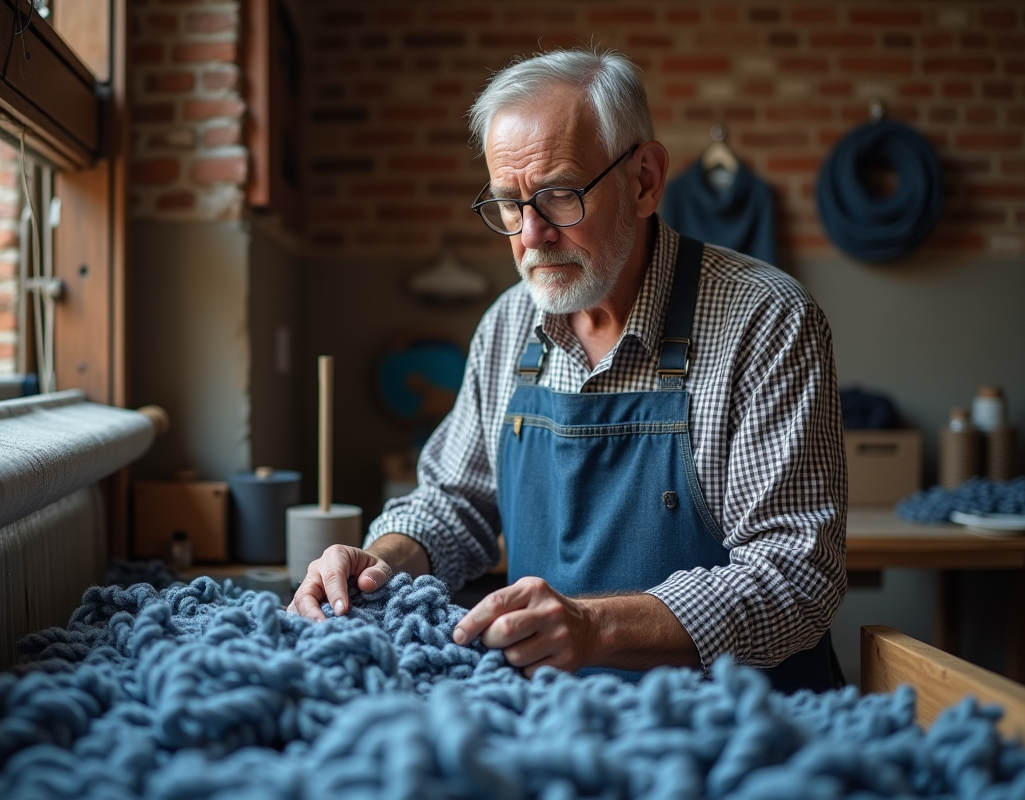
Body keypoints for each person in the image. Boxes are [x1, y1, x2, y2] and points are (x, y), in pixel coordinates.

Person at [289, 47, 847, 692]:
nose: (529, 235)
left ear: (644, 180)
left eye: (558, 197)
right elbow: (456, 504)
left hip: (737, 726)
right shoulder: (506, 327)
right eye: (507, 204)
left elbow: (796, 574)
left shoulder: (767, 320)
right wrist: (378, 563)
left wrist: (596, 629)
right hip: (557, 724)